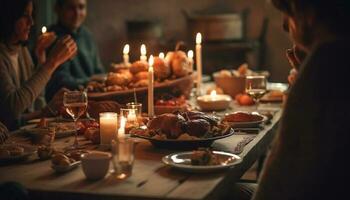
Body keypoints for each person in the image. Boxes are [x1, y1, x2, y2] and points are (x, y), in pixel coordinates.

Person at [252, 0, 350, 199]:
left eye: (288, 13)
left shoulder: (329, 61)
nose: (285, 24)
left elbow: (280, 184)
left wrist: (303, 85)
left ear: (307, 13)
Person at [0, 0, 77, 130]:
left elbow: (35, 104)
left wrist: (41, 58)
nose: (31, 22)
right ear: (9, 16)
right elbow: (12, 109)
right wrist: (51, 63)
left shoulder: (21, 50)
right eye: (25, 15)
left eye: (31, 15)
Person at [45, 0, 105, 101]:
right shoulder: (51, 38)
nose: (77, 13)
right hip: (66, 102)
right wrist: (88, 81)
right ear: (58, 9)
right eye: (71, 8)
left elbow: (99, 71)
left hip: (91, 97)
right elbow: (59, 80)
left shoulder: (87, 35)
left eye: (81, 7)